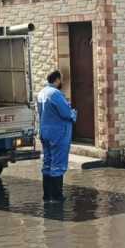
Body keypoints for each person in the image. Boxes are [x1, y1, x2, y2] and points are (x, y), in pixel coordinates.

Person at [37, 71, 77, 202]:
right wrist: (73, 113)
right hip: (58, 134)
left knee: (47, 163)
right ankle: (57, 196)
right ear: (57, 79)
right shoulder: (55, 93)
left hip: (45, 132)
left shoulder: (42, 92)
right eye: (61, 80)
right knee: (58, 164)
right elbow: (66, 113)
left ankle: (46, 195)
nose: (62, 82)